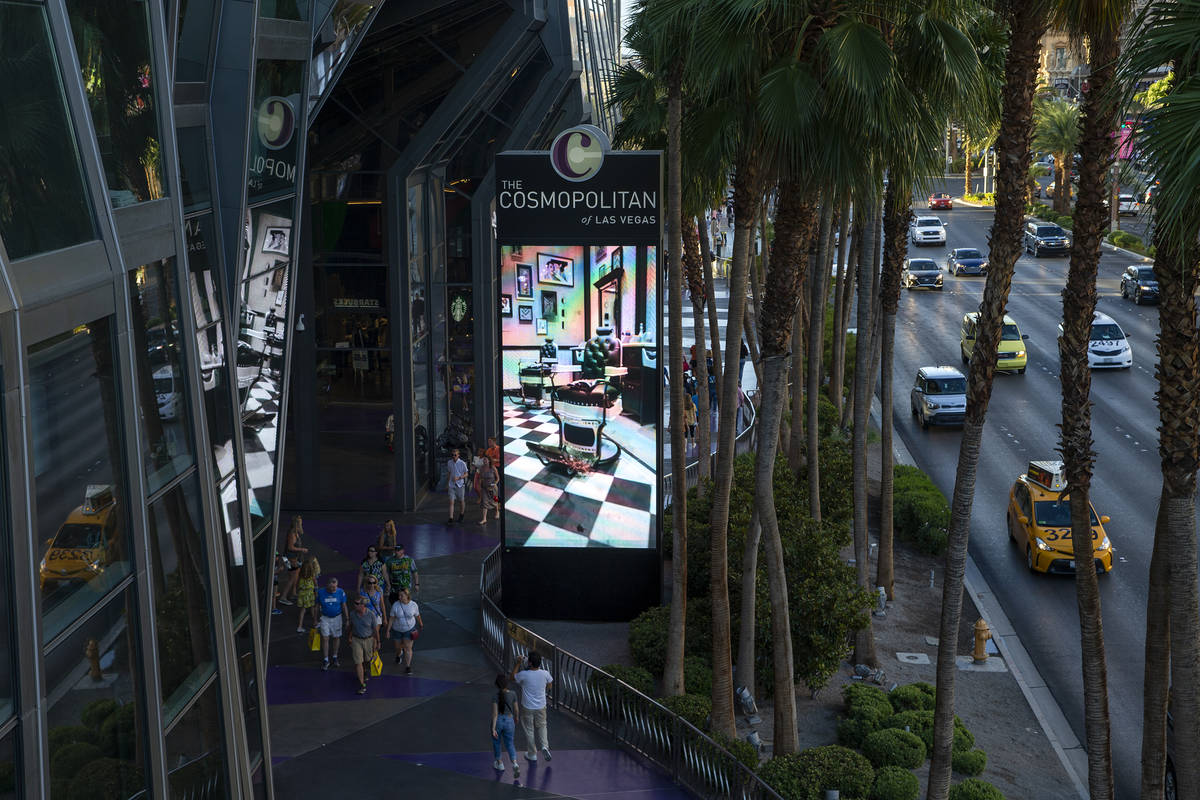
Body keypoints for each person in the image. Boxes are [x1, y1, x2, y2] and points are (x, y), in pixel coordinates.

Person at [511, 651, 553, 762]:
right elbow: (549, 685)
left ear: (529, 663)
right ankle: (544, 746)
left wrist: (518, 663)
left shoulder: (524, 675)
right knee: (542, 726)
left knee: (529, 729)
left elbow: (512, 677)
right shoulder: (545, 673)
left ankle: (532, 754)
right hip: (541, 706)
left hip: (527, 707)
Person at [348, 596, 380, 695]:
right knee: (358, 662)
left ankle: (365, 670)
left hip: (369, 639)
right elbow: (352, 626)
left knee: (367, 660)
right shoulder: (352, 614)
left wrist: (378, 642)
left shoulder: (371, 615)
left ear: (363, 605)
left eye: (357, 603)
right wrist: (349, 637)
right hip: (356, 639)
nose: (354, 605)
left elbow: (375, 630)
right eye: (354, 603)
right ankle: (362, 684)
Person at [316, 577, 349, 671]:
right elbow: (317, 606)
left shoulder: (340, 592)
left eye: (335, 587)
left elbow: (344, 605)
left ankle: (335, 656)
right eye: (332, 588)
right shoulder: (320, 592)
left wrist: (347, 619)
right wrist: (315, 619)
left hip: (337, 618)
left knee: (336, 637)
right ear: (327, 585)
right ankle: (326, 659)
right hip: (325, 618)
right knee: (325, 638)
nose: (334, 589)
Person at [388, 587, 423, 674]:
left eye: (401, 595)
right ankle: (399, 654)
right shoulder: (395, 605)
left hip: (409, 629)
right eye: (399, 595)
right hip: (397, 630)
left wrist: (421, 623)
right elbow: (391, 618)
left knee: (408, 648)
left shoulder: (413, 605)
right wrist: (388, 630)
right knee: (398, 647)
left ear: (407, 596)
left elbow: (417, 615)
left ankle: (408, 666)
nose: (399, 597)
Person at [492, 673, 521, 774]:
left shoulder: (495, 696)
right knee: (510, 743)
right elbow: (516, 709)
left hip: (499, 720)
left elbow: (495, 714)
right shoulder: (513, 693)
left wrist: (493, 728)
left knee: (497, 742)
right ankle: (514, 763)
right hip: (510, 720)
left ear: (497, 685)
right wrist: (516, 718)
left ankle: (499, 763)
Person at [280, 515, 307, 603]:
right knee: (292, 577)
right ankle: (283, 597)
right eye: (300, 522)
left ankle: (293, 593)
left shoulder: (295, 532)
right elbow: (290, 547)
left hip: (294, 558)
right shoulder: (292, 533)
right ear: (297, 523)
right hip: (290, 559)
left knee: (296, 576)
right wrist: (302, 549)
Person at [295, 556, 321, 633]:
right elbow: (316, 585)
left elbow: (297, 584)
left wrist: (298, 591)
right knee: (313, 608)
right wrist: (316, 593)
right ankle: (315, 622)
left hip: (302, 594)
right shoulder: (312, 576)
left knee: (302, 610)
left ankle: (300, 626)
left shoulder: (300, 575)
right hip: (310, 594)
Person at [447, 448, 469, 523]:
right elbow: (449, 472)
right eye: (452, 455)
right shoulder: (449, 462)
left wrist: (459, 478)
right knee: (451, 501)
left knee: (461, 501)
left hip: (460, 485)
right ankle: (451, 518)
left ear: (458, 455)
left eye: (455, 455)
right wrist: (448, 483)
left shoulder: (462, 463)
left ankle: (462, 514)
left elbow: (466, 474)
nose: (454, 456)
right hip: (451, 485)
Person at [478, 458, 500, 524]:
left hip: (493, 487)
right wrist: (480, 485)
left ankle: (497, 511)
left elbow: (498, 478)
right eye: (484, 460)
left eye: (486, 460)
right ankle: (484, 519)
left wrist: (492, 485)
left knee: (495, 500)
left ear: (489, 460)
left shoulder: (493, 468)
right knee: (484, 502)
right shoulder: (481, 468)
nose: (485, 461)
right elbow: (480, 478)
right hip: (485, 487)